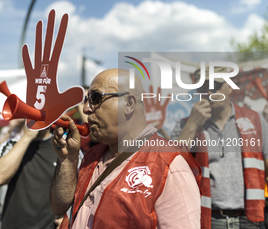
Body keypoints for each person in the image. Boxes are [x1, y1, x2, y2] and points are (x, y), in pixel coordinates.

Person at [51, 69, 201, 229]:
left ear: (129, 104)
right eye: (87, 100)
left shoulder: (169, 166)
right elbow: (58, 206)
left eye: (95, 98)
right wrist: (67, 159)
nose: (86, 109)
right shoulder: (92, 155)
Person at [171, 66, 268, 229]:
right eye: (203, 87)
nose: (209, 92)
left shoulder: (255, 119)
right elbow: (171, 165)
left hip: (250, 217)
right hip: (209, 218)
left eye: (215, 86)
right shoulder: (185, 125)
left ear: (229, 87)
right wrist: (192, 124)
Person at [0, 127, 60, 229]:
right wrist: (27, 137)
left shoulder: (63, 146)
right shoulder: (12, 144)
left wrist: (67, 218)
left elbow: (79, 188)